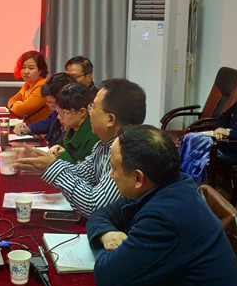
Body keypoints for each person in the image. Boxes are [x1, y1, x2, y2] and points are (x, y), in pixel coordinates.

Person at [87, 124, 237, 286]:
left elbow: (107, 278)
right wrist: (106, 234)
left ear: (138, 178)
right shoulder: (165, 184)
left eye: (114, 168)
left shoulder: (165, 216)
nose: (111, 175)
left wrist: (114, 252)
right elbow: (101, 214)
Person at [14, 79, 145, 217]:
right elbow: (82, 173)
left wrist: (52, 167)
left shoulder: (126, 153)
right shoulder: (104, 144)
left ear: (110, 119)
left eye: (93, 107)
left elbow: (95, 206)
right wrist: (45, 163)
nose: (89, 112)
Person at [13, 72, 74, 146]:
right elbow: (48, 122)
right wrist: (28, 128)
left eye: (51, 102)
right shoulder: (57, 111)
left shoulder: (74, 116)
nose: (50, 105)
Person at [49, 82, 99, 164]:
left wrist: (63, 155)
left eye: (62, 113)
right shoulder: (74, 126)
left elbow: (83, 170)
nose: (58, 117)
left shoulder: (93, 136)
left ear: (82, 112)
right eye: (58, 111)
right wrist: (60, 150)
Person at [7, 50, 51, 123]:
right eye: (23, 67)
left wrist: (13, 106)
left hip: (41, 129)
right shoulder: (27, 84)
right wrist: (16, 105)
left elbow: (21, 110)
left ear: (40, 70)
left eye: (31, 68)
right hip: (29, 126)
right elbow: (12, 99)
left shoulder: (43, 86)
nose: (26, 71)